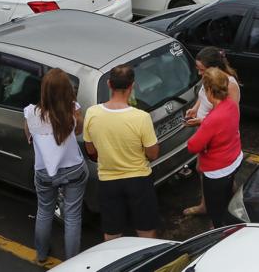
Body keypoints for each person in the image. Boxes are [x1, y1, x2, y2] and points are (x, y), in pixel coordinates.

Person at [83, 66, 160, 241]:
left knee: (112, 233)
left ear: (109, 84)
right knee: (146, 231)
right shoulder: (141, 117)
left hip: (108, 181)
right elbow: (153, 154)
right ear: (132, 86)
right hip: (139, 180)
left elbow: (90, 150)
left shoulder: (92, 113)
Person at [23, 69, 87, 262]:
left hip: (43, 172)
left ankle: (41, 254)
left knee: (44, 211)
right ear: (67, 90)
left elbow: (28, 137)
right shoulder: (73, 111)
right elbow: (79, 131)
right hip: (73, 169)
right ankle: (72, 261)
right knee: (72, 217)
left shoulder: (31, 113)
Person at [183, 47, 241, 216]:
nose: (199, 73)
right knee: (202, 170)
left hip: (217, 137)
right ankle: (206, 204)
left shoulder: (229, 84)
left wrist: (203, 121)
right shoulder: (211, 79)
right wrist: (195, 109)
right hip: (207, 132)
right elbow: (205, 97)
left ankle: (229, 207)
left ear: (214, 67)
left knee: (221, 177)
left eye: (202, 69)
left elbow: (229, 115)